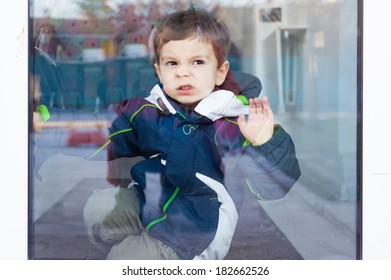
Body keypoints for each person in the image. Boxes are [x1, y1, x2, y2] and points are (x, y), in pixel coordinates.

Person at [83, 9, 301, 260]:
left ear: (220, 71)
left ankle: (144, 252)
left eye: (197, 62)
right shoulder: (152, 109)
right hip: (153, 201)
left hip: (195, 232)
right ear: (160, 71)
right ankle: (138, 241)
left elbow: (272, 188)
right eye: (172, 63)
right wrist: (47, 119)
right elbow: (107, 133)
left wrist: (264, 143)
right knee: (97, 209)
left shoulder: (233, 121)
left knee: (124, 259)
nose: (182, 72)